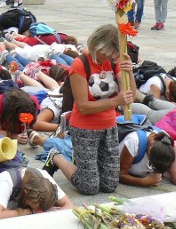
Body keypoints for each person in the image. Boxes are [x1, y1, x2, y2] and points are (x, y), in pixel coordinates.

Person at [52, 24, 134, 196]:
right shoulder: (80, 64)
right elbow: (83, 106)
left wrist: (129, 73)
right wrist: (115, 101)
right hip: (84, 128)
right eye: (107, 53)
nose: (109, 58)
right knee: (89, 187)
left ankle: (87, 166)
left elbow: (131, 95)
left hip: (108, 126)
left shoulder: (113, 61)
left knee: (110, 184)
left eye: (113, 55)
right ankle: (56, 157)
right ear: (97, 46)